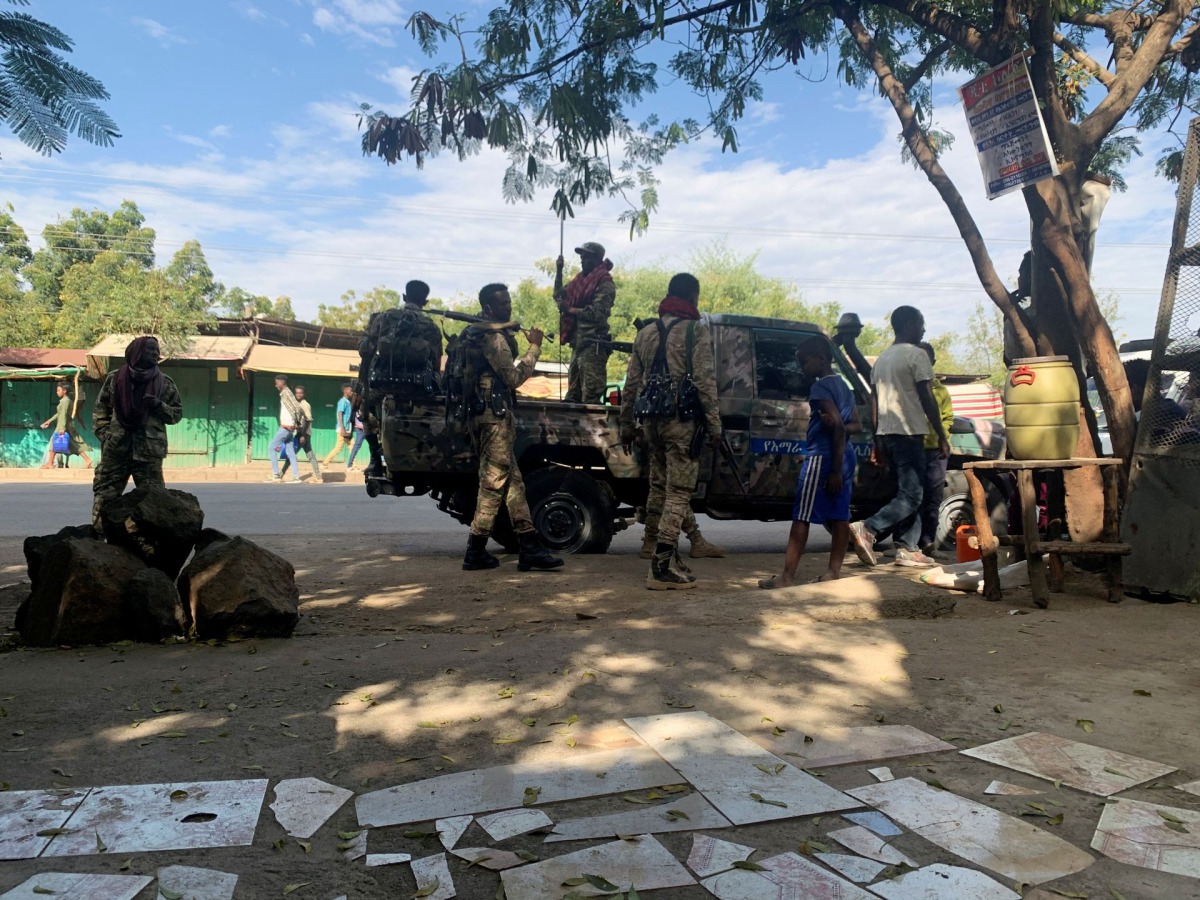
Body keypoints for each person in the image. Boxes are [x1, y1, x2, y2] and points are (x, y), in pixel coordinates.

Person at [620, 273, 722, 590]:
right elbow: (705, 381)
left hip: (651, 421)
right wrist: (715, 425)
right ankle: (661, 566)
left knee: (662, 486)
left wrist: (626, 424)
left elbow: (632, 384)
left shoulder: (646, 333)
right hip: (681, 422)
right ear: (692, 298)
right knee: (679, 491)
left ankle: (664, 551)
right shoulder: (695, 330)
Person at [461, 283, 564, 573]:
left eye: (509, 301)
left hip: (484, 415)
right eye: (503, 303)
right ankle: (475, 549)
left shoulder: (478, 331)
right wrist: (535, 347)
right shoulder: (493, 337)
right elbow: (513, 378)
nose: (509, 307)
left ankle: (529, 547)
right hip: (494, 418)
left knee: (513, 484)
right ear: (490, 307)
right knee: (493, 483)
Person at [848, 306, 950, 568]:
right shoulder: (916, 355)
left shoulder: (882, 359)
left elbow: (874, 400)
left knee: (907, 490)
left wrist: (877, 436)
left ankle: (907, 548)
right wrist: (941, 434)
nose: (924, 329)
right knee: (913, 495)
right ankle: (868, 528)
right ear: (907, 324)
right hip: (909, 433)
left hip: (887, 434)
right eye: (921, 323)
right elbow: (927, 397)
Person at [758, 337, 861, 588]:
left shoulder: (820, 389)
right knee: (840, 516)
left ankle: (787, 576)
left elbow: (836, 424)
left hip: (822, 459)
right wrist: (837, 435)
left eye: (805, 362)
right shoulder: (844, 387)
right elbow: (854, 426)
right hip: (845, 455)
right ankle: (833, 573)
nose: (803, 368)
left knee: (802, 516)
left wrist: (834, 469)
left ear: (821, 360)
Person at [91, 336, 183, 532]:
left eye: (157, 350)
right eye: (151, 350)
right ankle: (99, 542)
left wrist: (158, 406)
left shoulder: (164, 383)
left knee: (154, 501)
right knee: (104, 497)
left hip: (148, 453)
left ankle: (151, 549)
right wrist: (106, 437)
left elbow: (176, 415)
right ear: (137, 352)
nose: (156, 354)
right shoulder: (115, 379)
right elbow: (101, 411)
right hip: (116, 451)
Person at [556, 241, 616, 404]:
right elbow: (559, 296)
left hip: (593, 344)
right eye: (582, 257)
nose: (582, 260)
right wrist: (559, 270)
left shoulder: (604, 282)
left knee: (591, 396)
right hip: (578, 343)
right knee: (572, 396)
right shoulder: (579, 282)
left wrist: (570, 310)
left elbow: (597, 313)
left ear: (597, 259)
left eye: (586, 257)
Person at [918, 342, 955, 556]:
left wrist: (944, 436)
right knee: (913, 497)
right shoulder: (910, 390)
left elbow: (948, 418)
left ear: (932, 362)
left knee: (933, 497)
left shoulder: (941, 391)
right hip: (914, 448)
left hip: (936, 451)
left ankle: (928, 543)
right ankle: (905, 544)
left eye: (927, 359)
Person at [41, 382, 93, 469]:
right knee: (72, 444)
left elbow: (64, 415)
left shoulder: (65, 401)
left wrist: (62, 428)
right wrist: (49, 421)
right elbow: (59, 413)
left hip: (63, 425)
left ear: (64, 391)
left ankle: (50, 463)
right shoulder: (65, 401)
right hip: (64, 425)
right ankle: (87, 459)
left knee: (53, 443)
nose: (57, 392)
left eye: (58, 390)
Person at [280, 385, 323, 482]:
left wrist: (303, 435)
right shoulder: (297, 404)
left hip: (304, 434)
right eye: (297, 393)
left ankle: (280, 474)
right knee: (310, 454)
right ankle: (318, 477)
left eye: (301, 393)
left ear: (304, 394)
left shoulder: (305, 405)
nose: (299, 395)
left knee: (291, 453)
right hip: (301, 433)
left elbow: (308, 420)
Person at [266, 374, 302, 483]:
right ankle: (296, 477)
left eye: (277, 383)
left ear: (282, 383)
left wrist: (296, 422)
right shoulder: (285, 393)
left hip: (286, 427)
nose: (276, 385)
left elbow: (297, 408)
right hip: (289, 428)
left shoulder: (286, 393)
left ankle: (276, 475)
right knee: (290, 452)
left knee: (271, 447)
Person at [322, 382, 355, 467]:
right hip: (342, 429)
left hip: (347, 429)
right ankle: (325, 463)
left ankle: (352, 466)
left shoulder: (347, 401)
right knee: (338, 448)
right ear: (345, 390)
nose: (352, 392)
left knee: (352, 446)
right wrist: (342, 428)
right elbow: (339, 414)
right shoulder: (343, 401)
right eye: (351, 390)